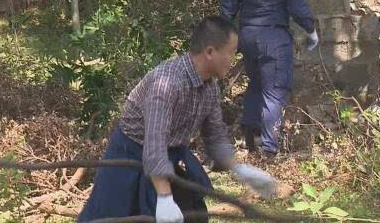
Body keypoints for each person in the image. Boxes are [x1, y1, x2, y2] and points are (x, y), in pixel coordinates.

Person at [78, 16, 277, 223]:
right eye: (231, 53)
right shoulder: (166, 84)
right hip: (128, 158)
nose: (233, 60)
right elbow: (154, 145)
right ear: (210, 52)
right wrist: (164, 198)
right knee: (111, 217)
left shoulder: (209, 89)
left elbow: (215, 139)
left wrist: (241, 169)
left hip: (167, 160)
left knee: (192, 216)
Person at [219, 0, 318, 159]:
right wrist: (311, 30)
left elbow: (229, 4)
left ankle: (250, 140)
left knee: (256, 84)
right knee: (275, 90)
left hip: (247, 35)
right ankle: (269, 150)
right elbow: (297, 7)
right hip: (273, 36)